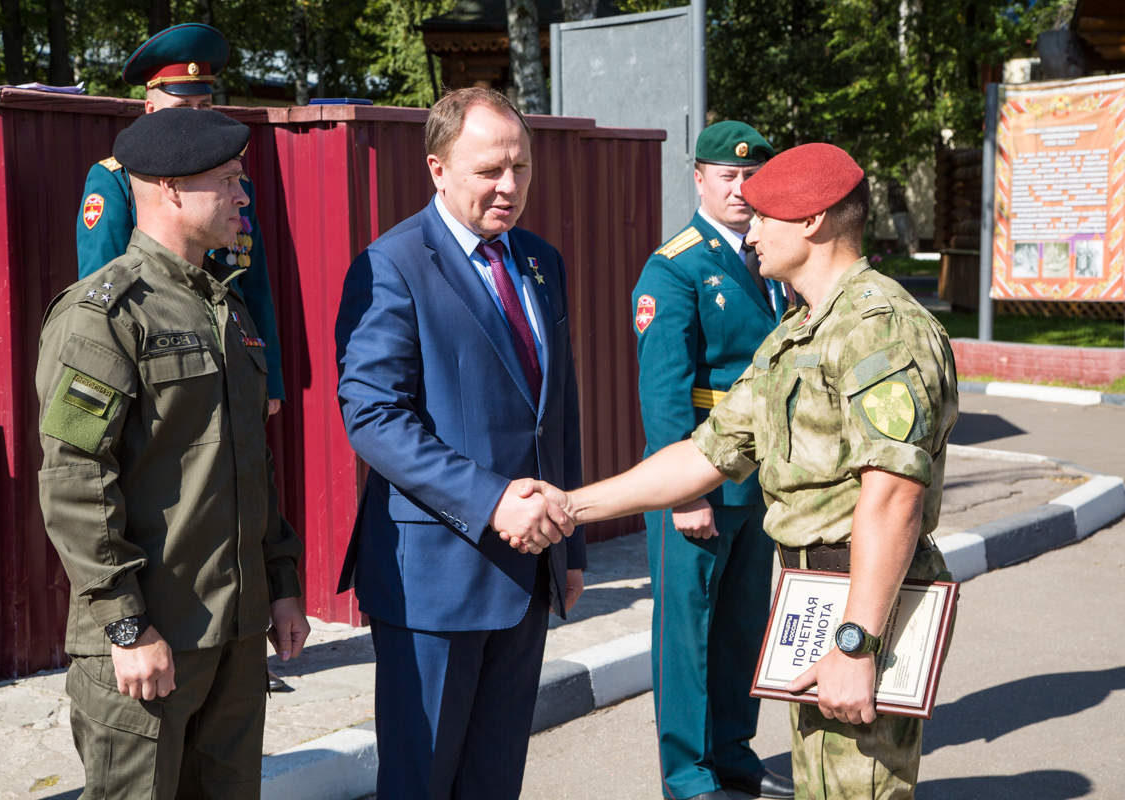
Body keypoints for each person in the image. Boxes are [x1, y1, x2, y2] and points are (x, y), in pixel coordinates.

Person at [523, 143, 958, 800]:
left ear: (812, 221)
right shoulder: (797, 332)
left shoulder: (879, 327)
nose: (749, 231)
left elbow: (893, 495)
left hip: (861, 601)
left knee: (858, 788)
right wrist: (569, 506)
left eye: (763, 216)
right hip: (814, 593)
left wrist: (855, 643)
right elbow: (704, 454)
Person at [37, 108, 309, 799]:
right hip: (150, 642)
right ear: (171, 188)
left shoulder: (226, 308)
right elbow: (75, 481)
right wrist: (126, 625)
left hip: (236, 639)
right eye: (229, 181)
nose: (244, 197)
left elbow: (252, 464)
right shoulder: (105, 314)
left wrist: (282, 585)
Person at [334, 87, 584, 800]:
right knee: (423, 779)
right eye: (489, 171)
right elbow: (374, 417)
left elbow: (554, 414)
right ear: (438, 169)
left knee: (494, 777)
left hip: (530, 567)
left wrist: (571, 546)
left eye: (522, 168)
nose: (510, 187)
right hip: (435, 581)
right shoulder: (393, 265)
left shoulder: (540, 261)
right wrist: (491, 498)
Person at [634, 121, 793, 800]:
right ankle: (686, 770)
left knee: (742, 625)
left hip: (762, 480)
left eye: (752, 177)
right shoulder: (675, 267)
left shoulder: (771, 256)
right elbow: (665, 393)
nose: (741, 189)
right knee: (687, 631)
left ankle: (732, 748)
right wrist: (683, 492)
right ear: (697, 178)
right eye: (727, 176)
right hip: (698, 478)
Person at [75, 23, 286, 419]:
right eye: (182, 110)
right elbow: (101, 288)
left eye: (205, 108)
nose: (197, 121)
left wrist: (268, 374)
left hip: (232, 360)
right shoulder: (114, 180)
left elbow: (252, 280)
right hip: (159, 367)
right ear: (150, 111)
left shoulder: (236, 185)